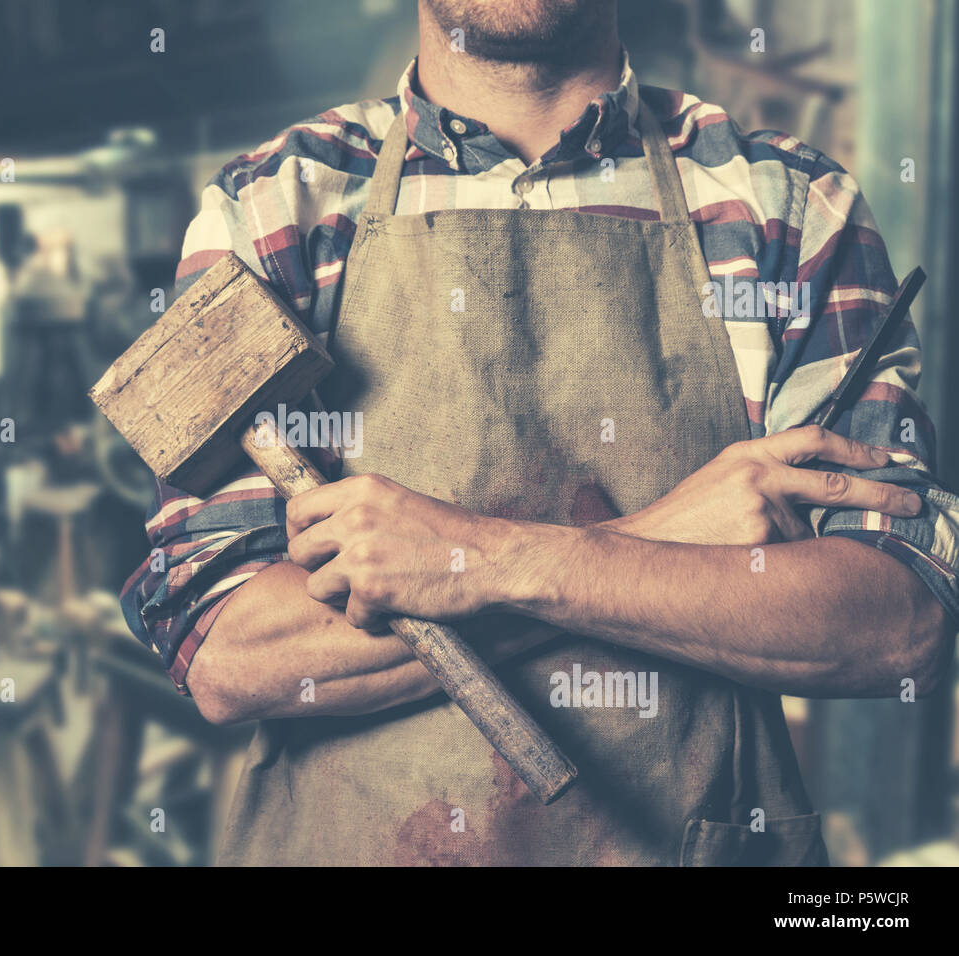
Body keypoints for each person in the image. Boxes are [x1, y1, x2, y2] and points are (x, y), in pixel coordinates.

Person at [121, 0, 958, 865]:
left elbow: (896, 626)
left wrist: (479, 563)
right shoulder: (277, 206)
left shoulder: (785, 207)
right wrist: (661, 540)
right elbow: (228, 653)